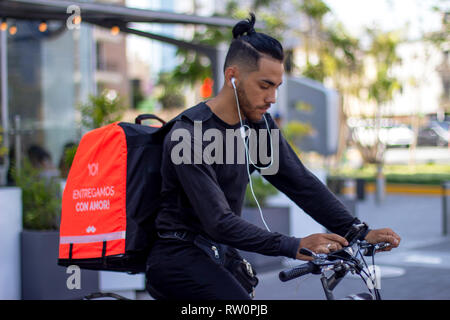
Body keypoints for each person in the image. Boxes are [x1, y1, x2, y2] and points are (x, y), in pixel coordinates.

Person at [145, 13, 401, 300]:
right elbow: (218, 221)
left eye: (277, 87)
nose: (272, 97)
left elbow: (300, 183)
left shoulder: (256, 127)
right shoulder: (189, 134)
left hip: (219, 255)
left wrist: (358, 232)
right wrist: (293, 245)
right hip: (177, 257)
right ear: (232, 77)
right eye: (264, 85)